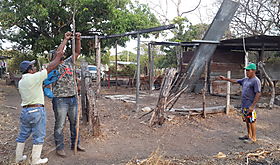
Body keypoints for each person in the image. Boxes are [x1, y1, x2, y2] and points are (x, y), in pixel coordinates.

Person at [15, 50, 65, 164]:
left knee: (23, 135)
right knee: (39, 135)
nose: (34, 68)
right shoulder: (34, 77)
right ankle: (36, 160)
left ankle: (18, 158)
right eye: (32, 67)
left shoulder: (22, 81)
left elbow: (37, 85)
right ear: (29, 70)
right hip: (37, 110)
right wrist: (58, 57)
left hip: (25, 111)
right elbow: (51, 67)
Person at [50, 31, 85, 157]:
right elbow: (59, 52)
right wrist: (65, 39)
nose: (62, 54)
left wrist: (78, 39)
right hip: (60, 99)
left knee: (75, 123)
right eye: (59, 54)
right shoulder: (52, 66)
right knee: (60, 125)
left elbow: (77, 52)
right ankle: (59, 147)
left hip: (72, 98)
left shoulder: (69, 62)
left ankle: (76, 143)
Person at [219, 63, 261, 143]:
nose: (246, 72)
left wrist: (252, 106)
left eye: (248, 70)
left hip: (250, 105)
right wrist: (225, 79)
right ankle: (249, 135)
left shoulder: (256, 81)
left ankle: (254, 138)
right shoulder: (246, 80)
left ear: (253, 71)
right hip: (244, 104)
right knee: (247, 120)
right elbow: (235, 81)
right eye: (246, 70)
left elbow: (258, 93)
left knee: (252, 121)